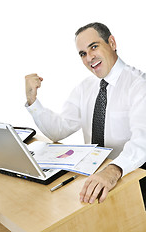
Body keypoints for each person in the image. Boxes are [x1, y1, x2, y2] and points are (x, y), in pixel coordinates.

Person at [25, 22, 146, 204]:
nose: (89, 58)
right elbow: (59, 130)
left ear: (111, 43)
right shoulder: (85, 88)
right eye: (82, 54)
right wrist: (33, 101)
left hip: (130, 180)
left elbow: (142, 141)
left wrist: (113, 170)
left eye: (94, 47)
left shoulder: (139, 85)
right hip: (95, 180)